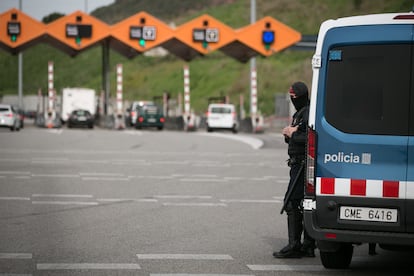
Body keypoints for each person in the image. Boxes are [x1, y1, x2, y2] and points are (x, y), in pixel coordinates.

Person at [273, 81, 316, 259]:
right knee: (303, 204)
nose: (292, 100)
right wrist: (289, 134)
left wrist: (293, 133)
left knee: (291, 203)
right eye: (290, 97)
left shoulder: (307, 113)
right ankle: (307, 245)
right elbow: (297, 137)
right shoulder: (300, 112)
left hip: (303, 165)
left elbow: (309, 137)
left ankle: (295, 245)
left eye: (294, 97)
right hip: (297, 163)